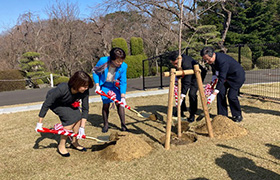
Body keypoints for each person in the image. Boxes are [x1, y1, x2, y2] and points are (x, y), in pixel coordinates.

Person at [35, 71, 94, 157]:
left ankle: (75, 142)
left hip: (68, 102)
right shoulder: (62, 88)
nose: (86, 88)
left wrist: (82, 128)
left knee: (78, 116)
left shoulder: (84, 91)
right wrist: (39, 123)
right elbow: (46, 104)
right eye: (84, 86)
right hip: (56, 103)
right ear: (76, 84)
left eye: (87, 86)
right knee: (70, 119)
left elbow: (85, 109)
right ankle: (61, 145)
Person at [200, 46, 245, 122]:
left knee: (231, 96)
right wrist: (213, 80)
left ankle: (237, 115)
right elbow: (215, 71)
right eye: (205, 60)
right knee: (220, 93)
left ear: (213, 55)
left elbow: (222, 78)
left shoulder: (222, 61)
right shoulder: (212, 61)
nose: (207, 62)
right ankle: (222, 115)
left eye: (207, 59)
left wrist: (213, 94)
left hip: (236, 77)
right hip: (226, 77)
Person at [92, 47, 128, 133]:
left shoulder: (123, 66)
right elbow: (95, 72)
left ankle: (123, 125)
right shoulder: (103, 61)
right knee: (106, 104)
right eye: (118, 61)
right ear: (112, 59)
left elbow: (123, 81)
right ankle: (106, 125)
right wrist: (97, 85)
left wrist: (123, 97)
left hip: (115, 85)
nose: (120, 63)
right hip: (105, 85)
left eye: (122, 60)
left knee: (120, 104)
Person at [169, 51, 207, 122]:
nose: (175, 65)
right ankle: (181, 109)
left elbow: (187, 82)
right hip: (186, 75)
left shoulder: (187, 64)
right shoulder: (179, 60)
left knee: (192, 93)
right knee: (179, 91)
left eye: (176, 63)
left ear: (178, 59)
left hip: (197, 76)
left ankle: (192, 113)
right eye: (173, 64)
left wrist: (182, 96)